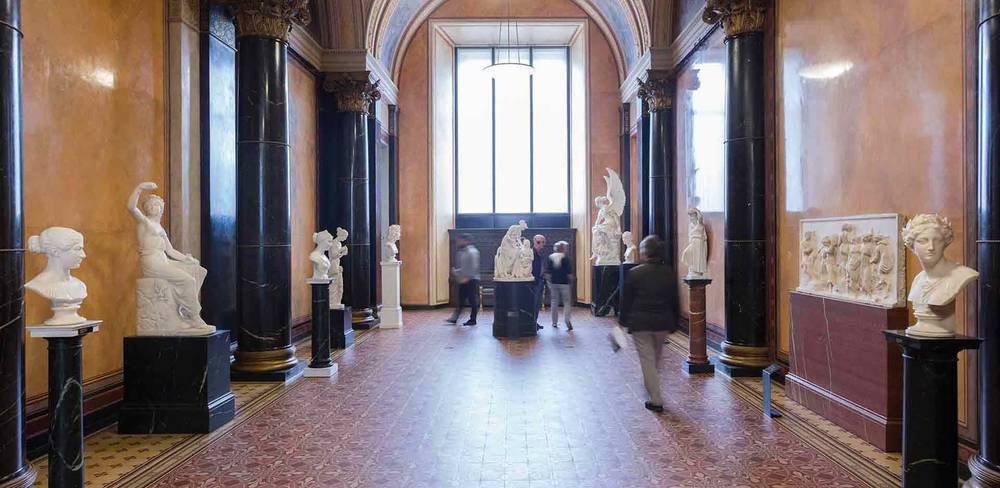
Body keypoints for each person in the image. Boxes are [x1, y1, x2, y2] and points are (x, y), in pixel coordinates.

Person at [620, 235, 674, 413]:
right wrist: (673, 322)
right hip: (661, 323)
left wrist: (622, 322)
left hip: (641, 323)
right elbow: (675, 299)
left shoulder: (635, 273)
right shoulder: (668, 272)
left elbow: (626, 300)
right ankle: (651, 387)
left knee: (647, 360)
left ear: (645, 253)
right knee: (655, 359)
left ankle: (656, 398)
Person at [448, 233, 480, 326]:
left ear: (466, 241)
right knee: (461, 300)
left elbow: (473, 267)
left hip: (471, 280)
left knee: (472, 300)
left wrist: (459, 273)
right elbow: (464, 267)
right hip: (464, 279)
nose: (458, 242)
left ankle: (473, 320)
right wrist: (458, 273)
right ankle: (455, 318)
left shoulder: (472, 252)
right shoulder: (463, 252)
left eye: (460, 240)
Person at [545, 240, 575, 330]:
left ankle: (554, 322)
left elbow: (548, 273)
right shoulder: (565, 258)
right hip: (564, 283)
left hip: (553, 283)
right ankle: (567, 320)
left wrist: (549, 283)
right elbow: (569, 273)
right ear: (563, 249)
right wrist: (571, 281)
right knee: (566, 302)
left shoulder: (550, 257)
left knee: (554, 302)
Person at [531, 234, 547, 329]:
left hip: (539, 281)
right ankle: (532, 323)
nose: (541, 244)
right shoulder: (531, 253)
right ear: (535, 242)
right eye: (539, 242)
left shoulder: (538, 253)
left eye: (542, 242)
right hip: (534, 282)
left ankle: (534, 322)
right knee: (534, 304)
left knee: (537, 304)